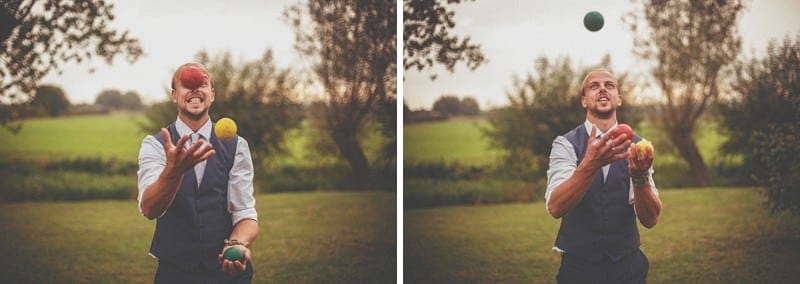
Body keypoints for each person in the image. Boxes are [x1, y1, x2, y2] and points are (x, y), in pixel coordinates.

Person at [137, 62, 259, 283]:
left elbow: (245, 212)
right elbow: (149, 208)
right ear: (174, 95)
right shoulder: (155, 145)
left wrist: (236, 245)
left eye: (202, 83)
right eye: (185, 84)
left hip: (226, 273)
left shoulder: (237, 146)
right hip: (175, 273)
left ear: (211, 94)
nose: (194, 88)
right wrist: (173, 172)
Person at [545, 69, 662, 283]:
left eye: (609, 85)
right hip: (578, 269)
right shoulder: (565, 144)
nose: (602, 89)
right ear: (583, 101)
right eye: (594, 86)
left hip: (628, 267)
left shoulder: (638, 146)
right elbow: (556, 207)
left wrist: (639, 177)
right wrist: (590, 164)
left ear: (619, 99)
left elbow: (650, 219)